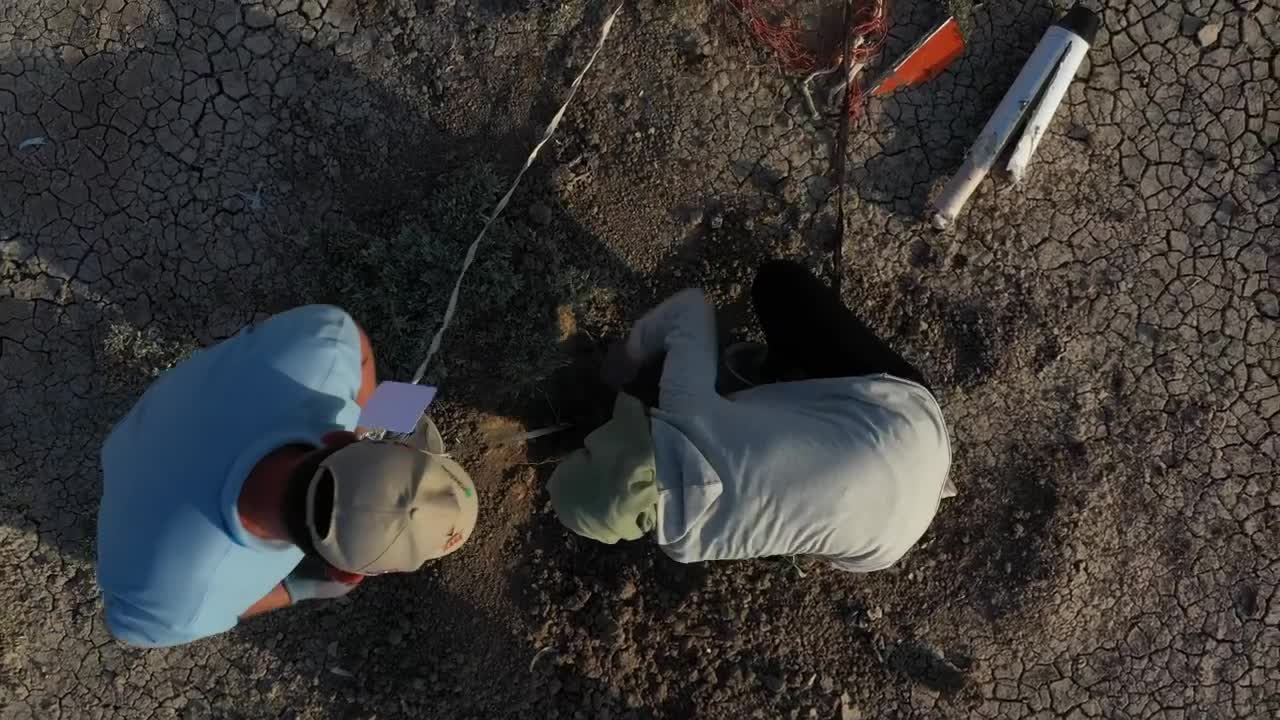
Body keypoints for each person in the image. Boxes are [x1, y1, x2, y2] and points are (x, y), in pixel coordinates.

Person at [97, 305, 478, 647]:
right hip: (124, 481)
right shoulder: (179, 603)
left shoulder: (323, 349)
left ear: (336, 437)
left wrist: (364, 433)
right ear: (337, 568)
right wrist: (294, 589)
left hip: (150, 424)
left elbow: (356, 345)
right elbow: (124, 626)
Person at [548, 260, 954, 571]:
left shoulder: (686, 546)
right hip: (908, 422)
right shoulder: (685, 408)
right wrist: (630, 355)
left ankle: (931, 484)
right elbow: (690, 308)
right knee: (778, 283)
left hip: (885, 543)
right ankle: (773, 369)